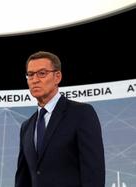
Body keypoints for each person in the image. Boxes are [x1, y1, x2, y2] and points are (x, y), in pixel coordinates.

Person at [15, 51, 105, 187]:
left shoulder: (81, 114)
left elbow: (94, 171)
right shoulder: (26, 127)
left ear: (57, 77)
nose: (35, 80)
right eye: (30, 74)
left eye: (42, 73)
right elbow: (23, 178)